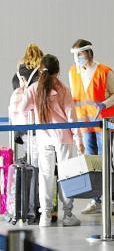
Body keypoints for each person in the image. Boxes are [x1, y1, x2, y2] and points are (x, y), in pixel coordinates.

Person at [19, 54, 83, 227]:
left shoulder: (33, 89)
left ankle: (45, 216)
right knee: (66, 175)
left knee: (45, 176)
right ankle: (68, 215)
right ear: (58, 71)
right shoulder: (63, 89)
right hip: (63, 137)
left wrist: (29, 122)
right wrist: (79, 140)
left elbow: (21, 108)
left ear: (41, 70)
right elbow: (72, 118)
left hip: (43, 138)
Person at [68, 39, 114, 215]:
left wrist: (104, 105)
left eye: (79, 54)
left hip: (104, 123)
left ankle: (112, 201)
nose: (77, 59)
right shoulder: (73, 72)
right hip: (85, 124)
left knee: (106, 160)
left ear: (88, 53)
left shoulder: (104, 71)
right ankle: (96, 200)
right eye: (74, 55)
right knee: (91, 162)